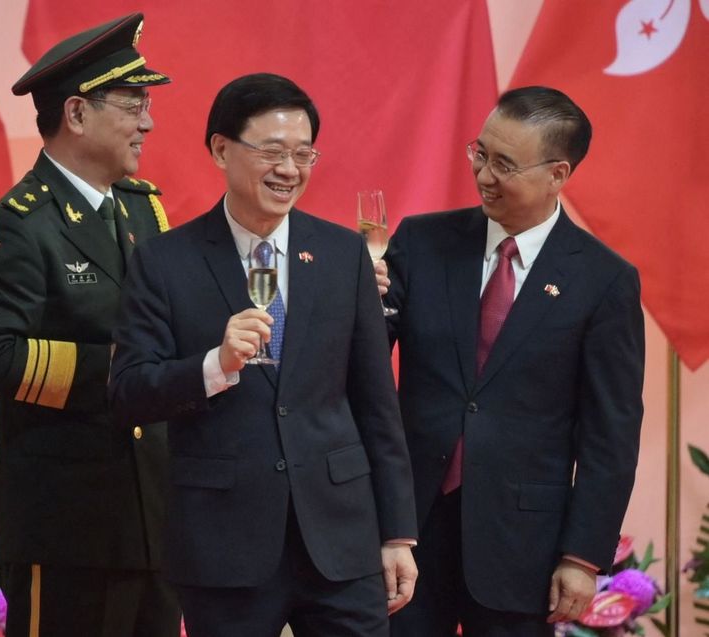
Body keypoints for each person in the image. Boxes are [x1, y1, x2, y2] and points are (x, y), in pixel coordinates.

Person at [108, 73, 419, 637]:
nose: (289, 170)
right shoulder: (164, 261)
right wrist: (214, 365)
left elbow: (378, 403)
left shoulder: (342, 253)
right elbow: (129, 390)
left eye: (304, 154)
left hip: (341, 538)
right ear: (221, 149)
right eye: (272, 152)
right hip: (224, 543)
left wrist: (397, 533)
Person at [382, 86, 645, 637]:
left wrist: (581, 556)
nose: (484, 175)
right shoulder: (421, 241)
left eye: (505, 164)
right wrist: (351, 298)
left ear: (558, 173)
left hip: (522, 542)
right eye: (480, 153)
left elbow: (610, 433)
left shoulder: (604, 281)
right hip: (407, 530)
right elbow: (362, 362)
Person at [0, 13, 180, 637]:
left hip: (153, 522)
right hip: (67, 531)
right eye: (134, 103)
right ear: (77, 114)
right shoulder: (15, 224)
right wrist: (121, 369)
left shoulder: (144, 208)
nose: (149, 121)